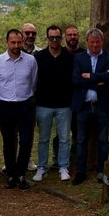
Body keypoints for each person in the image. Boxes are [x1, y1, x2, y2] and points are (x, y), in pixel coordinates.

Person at [0, 28, 38, 190]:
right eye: (13, 42)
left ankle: (22, 174)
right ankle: (11, 175)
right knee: (9, 142)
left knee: (26, 141)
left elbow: (34, 82)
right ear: (7, 42)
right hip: (6, 106)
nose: (16, 45)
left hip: (25, 105)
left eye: (19, 42)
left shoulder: (30, 61)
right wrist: (4, 98)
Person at [71, 28, 109, 185]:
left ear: (102, 42)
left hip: (101, 105)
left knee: (103, 140)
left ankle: (101, 171)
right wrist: (98, 81)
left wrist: (89, 76)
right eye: (92, 42)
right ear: (87, 42)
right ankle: (81, 171)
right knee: (81, 140)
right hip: (83, 105)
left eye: (98, 42)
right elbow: (75, 79)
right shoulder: (79, 57)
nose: (95, 45)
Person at [33, 25, 74, 182]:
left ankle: (63, 166)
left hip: (64, 104)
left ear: (61, 38)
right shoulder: (39, 57)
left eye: (57, 38)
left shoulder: (69, 57)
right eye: (52, 38)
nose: (55, 41)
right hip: (44, 104)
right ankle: (42, 167)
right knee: (43, 138)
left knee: (64, 138)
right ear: (47, 38)